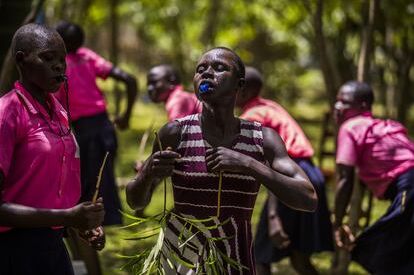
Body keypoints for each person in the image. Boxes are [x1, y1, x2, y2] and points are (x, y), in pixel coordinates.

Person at [126, 47, 317, 274]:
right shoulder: (175, 133)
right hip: (182, 256)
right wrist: (149, 172)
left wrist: (248, 164)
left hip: (235, 255)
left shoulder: (263, 139)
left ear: (240, 85)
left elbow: (308, 198)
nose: (207, 74)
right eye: (200, 69)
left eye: (219, 68)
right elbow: (135, 201)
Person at [0, 23, 105, 275]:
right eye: (48, 58)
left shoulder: (58, 112)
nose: (59, 66)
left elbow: (52, 185)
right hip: (13, 249)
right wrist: (66, 216)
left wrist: (80, 222)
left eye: (62, 59)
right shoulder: (7, 114)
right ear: (21, 60)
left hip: (54, 246)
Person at [55, 21, 137, 274]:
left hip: (83, 132)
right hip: (104, 129)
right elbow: (128, 78)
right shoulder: (87, 56)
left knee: (82, 197)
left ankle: (90, 263)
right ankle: (85, 262)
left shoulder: (57, 64)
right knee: (92, 191)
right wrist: (125, 116)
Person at [235, 67, 333, 275]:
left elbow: (270, 168)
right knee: (299, 258)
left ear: (242, 89)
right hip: (311, 174)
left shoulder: (253, 116)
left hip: (290, 176)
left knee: (259, 257)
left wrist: (273, 216)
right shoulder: (270, 107)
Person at [333, 81, 414, 274]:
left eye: (344, 102)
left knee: (375, 249)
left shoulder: (350, 127)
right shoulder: (380, 127)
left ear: (362, 106)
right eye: (337, 101)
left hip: (410, 186)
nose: (338, 107)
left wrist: (337, 222)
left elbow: (345, 178)